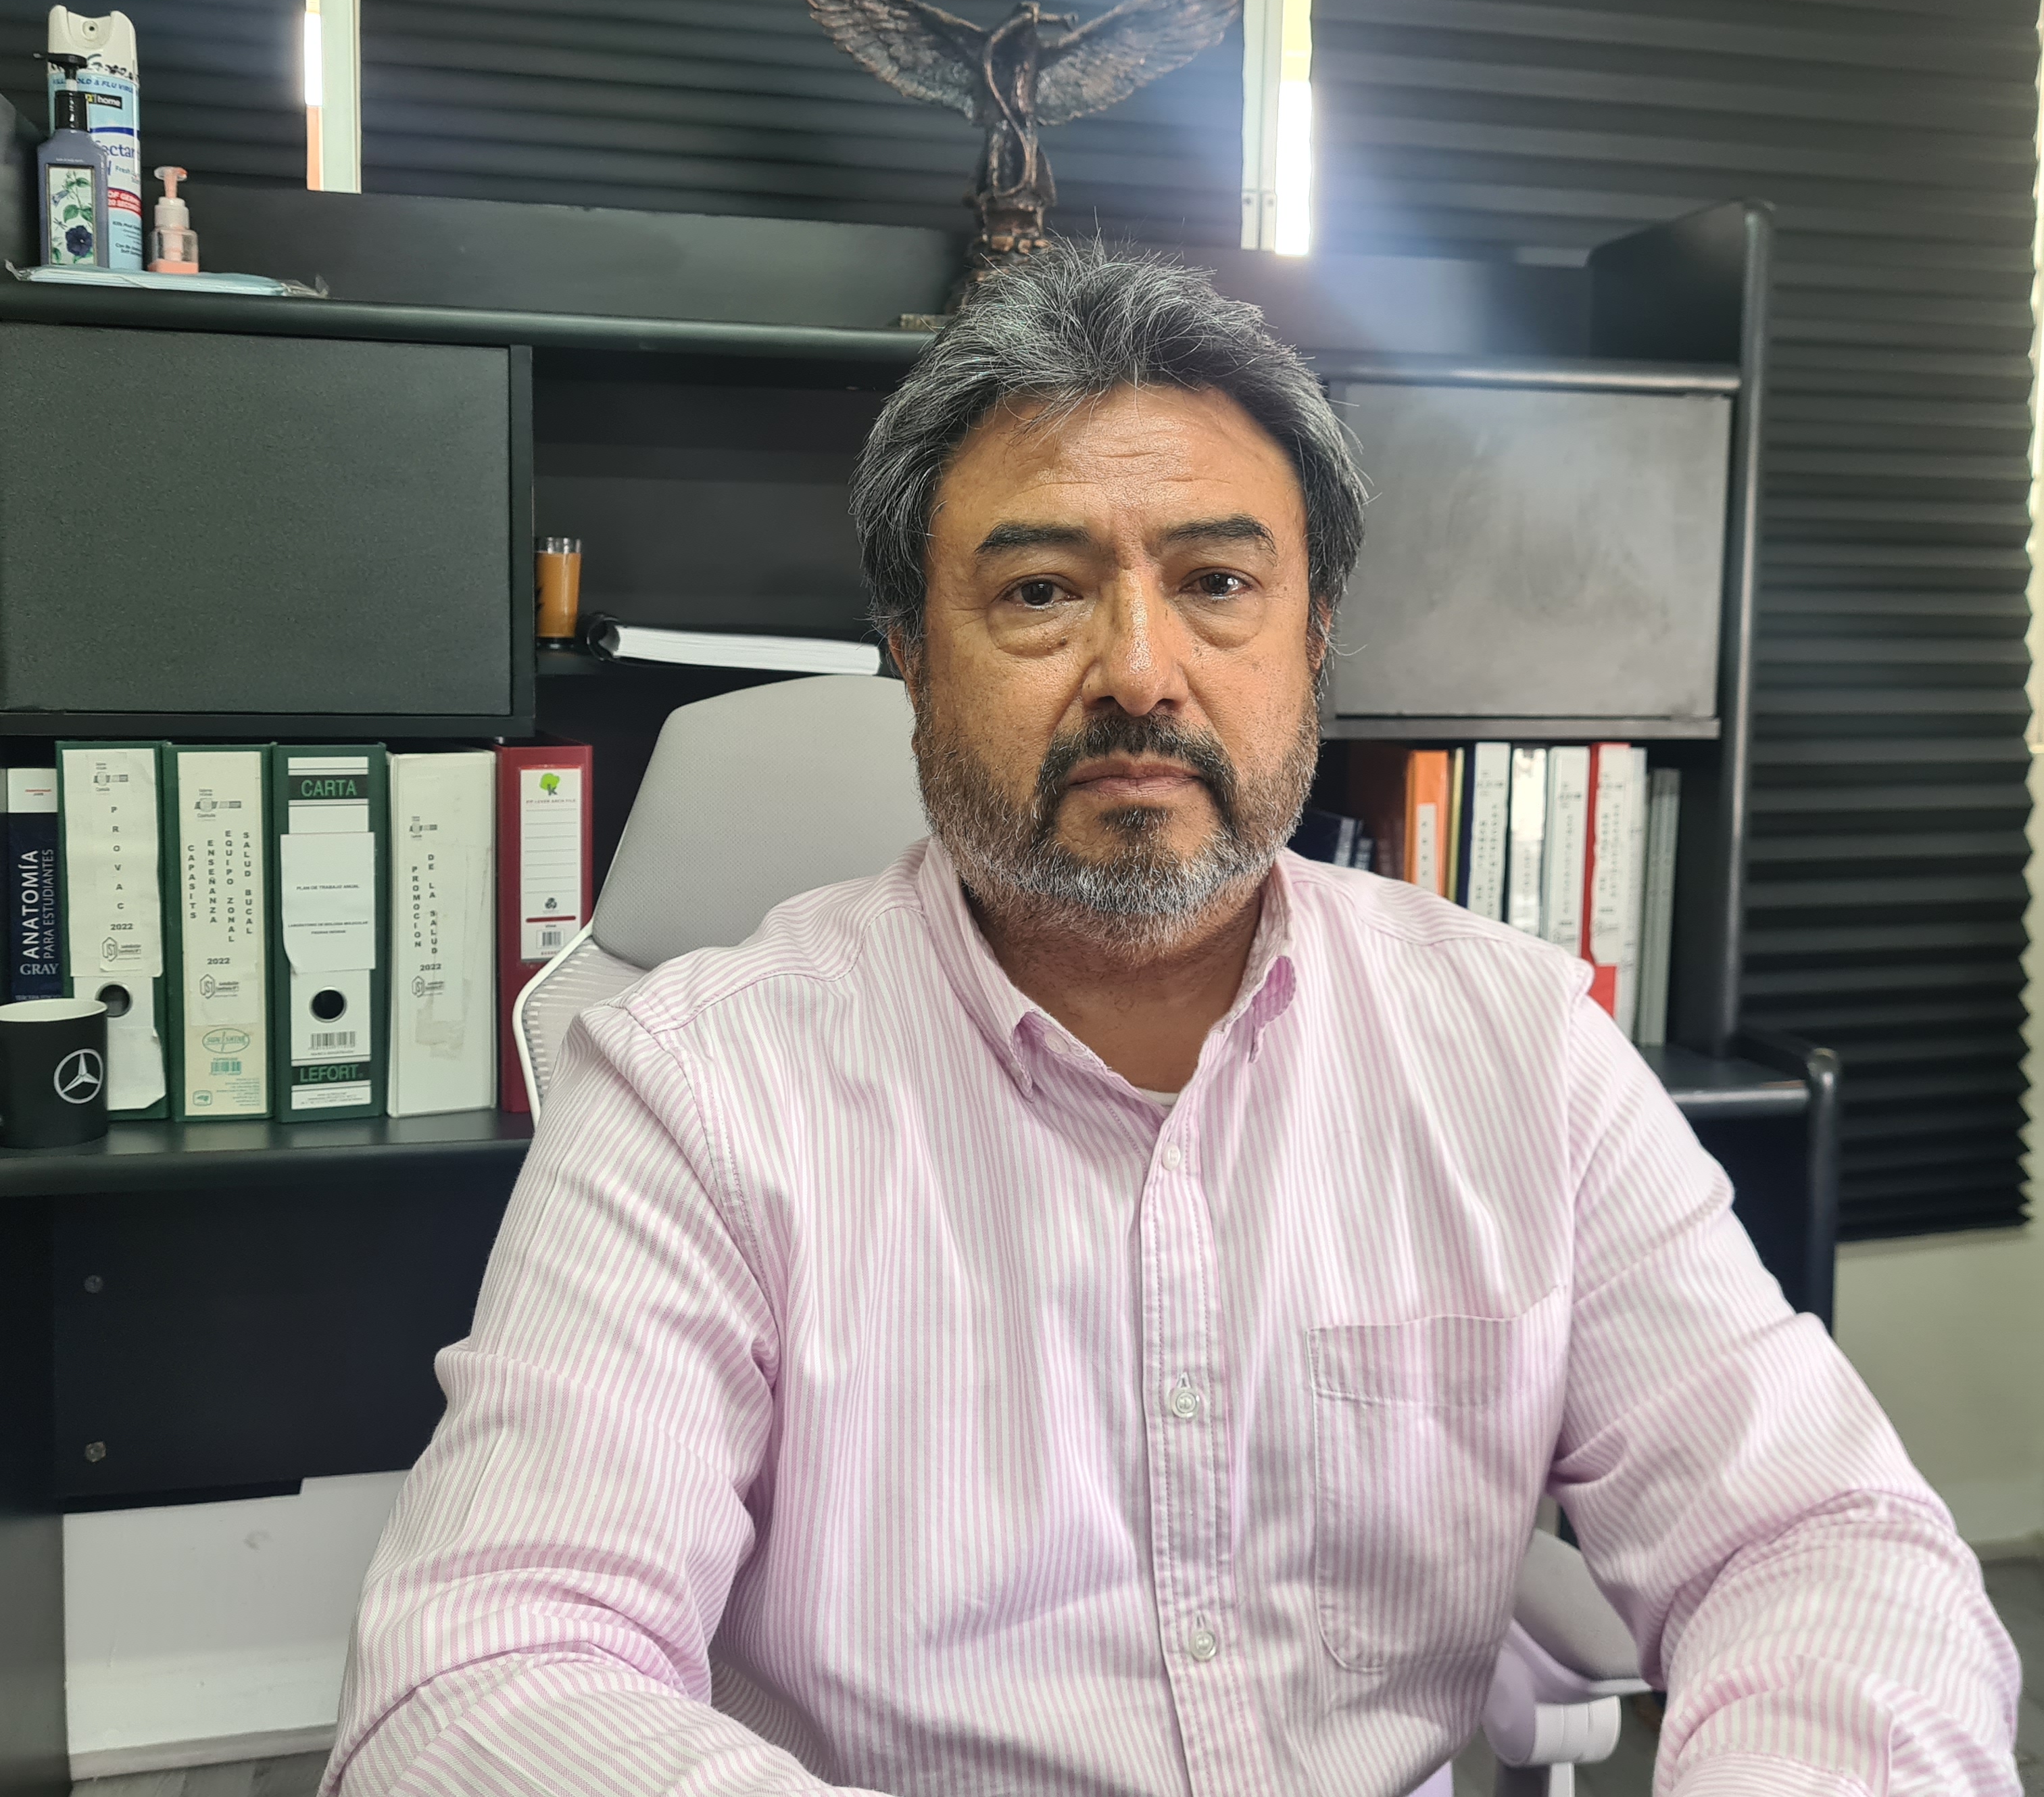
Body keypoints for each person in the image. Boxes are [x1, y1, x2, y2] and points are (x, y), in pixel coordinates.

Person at [325, 247, 2018, 1797]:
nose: (1140, 670)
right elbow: (477, 1686)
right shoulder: (699, 1095)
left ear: (1314, 640)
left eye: (1216, 581)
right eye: (1041, 592)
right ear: (911, 658)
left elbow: (1820, 1542)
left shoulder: (1520, 1052)